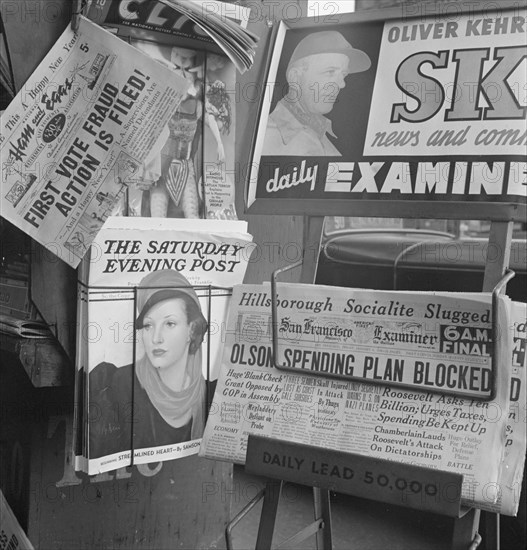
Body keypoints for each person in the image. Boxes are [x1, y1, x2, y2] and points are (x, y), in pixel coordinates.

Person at [88, 270, 208, 459]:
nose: (156, 338)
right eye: (148, 325)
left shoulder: (211, 396)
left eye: (169, 323)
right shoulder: (116, 385)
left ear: (192, 330)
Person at [262, 30, 371, 157]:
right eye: (330, 72)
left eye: (343, 74)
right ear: (295, 77)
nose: (342, 84)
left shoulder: (324, 138)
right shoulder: (264, 138)